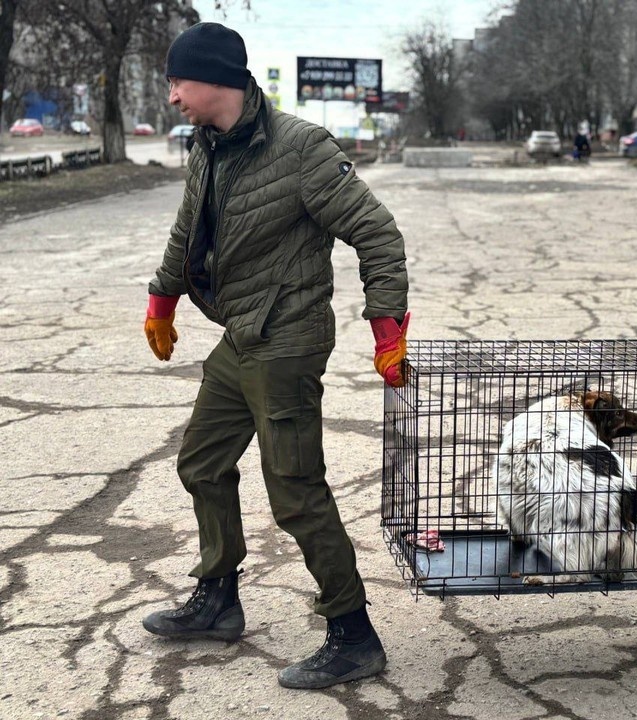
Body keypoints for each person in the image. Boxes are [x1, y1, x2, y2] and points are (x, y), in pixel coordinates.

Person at [140, 22, 410, 690]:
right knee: (201, 462)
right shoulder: (208, 145)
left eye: (178, 82)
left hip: (287, 339)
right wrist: (162, 298)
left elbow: (377, 232)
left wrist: (387, 329)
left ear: (215, 79)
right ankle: (218, 601)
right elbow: (187, 227)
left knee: (295, 491)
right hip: (242, 333)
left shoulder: (301, 148)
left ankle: (354, 636)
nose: (172, 96)